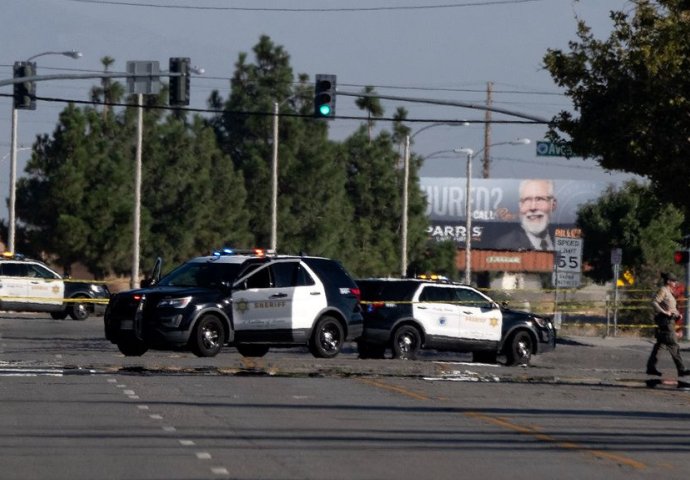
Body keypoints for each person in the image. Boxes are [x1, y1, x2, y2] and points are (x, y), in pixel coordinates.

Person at [646, 272, 690, 377]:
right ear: (668, 281)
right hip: (666, 321)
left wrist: (677, 314)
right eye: (674, 281)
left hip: (669, 320)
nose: (675, 282)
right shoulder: (663, 290)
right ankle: (681, 369)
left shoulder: (670, 292)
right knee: (673, 344)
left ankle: (651, 368)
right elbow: (654, 302)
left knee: (660, 345)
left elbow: (670, 307)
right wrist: (664, 312)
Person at [494, 179, 557, 250]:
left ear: (553, 204)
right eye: (527, 200)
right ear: (520, 205)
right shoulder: (505, 245)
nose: (533, 207)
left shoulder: (564, 239)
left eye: (540, 199)